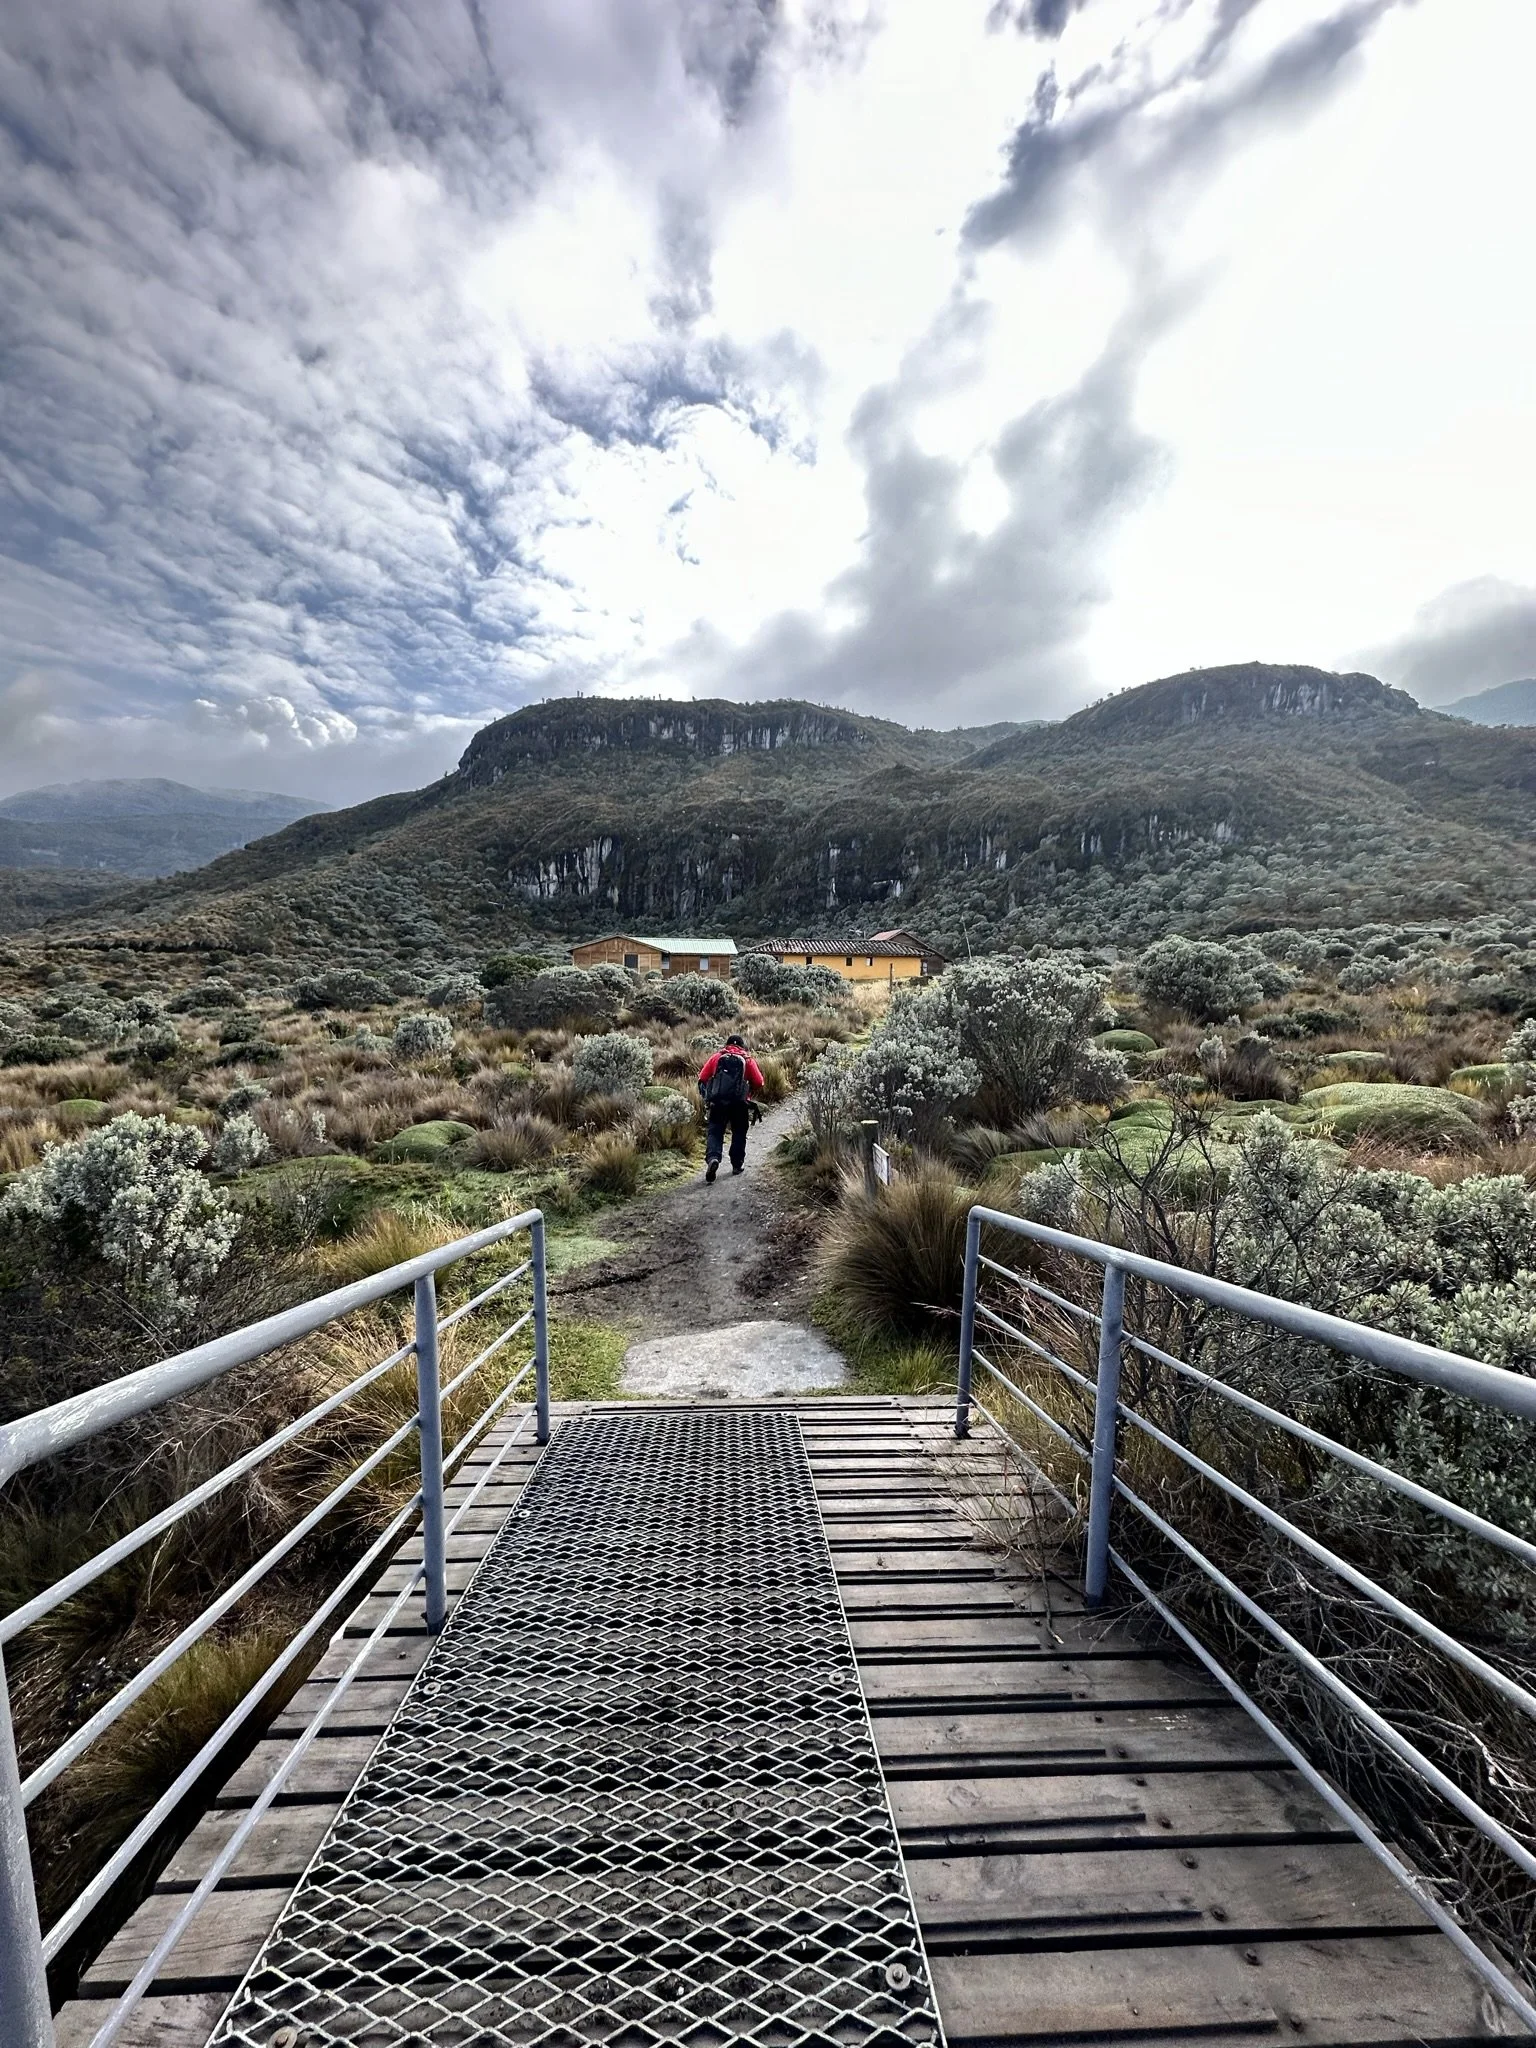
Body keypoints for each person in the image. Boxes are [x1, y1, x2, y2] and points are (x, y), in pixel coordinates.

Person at [697, 1031, 765, 1183]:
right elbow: (760, 1082)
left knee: (715, 1131)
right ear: (742, 1046)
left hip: (718, 1102)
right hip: (739, 1103)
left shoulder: (716, 1057)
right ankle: (736, 1164)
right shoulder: (747, 1060)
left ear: (726, 1045)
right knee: (739, 1132)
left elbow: (702, 1077)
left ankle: (713, 1158)